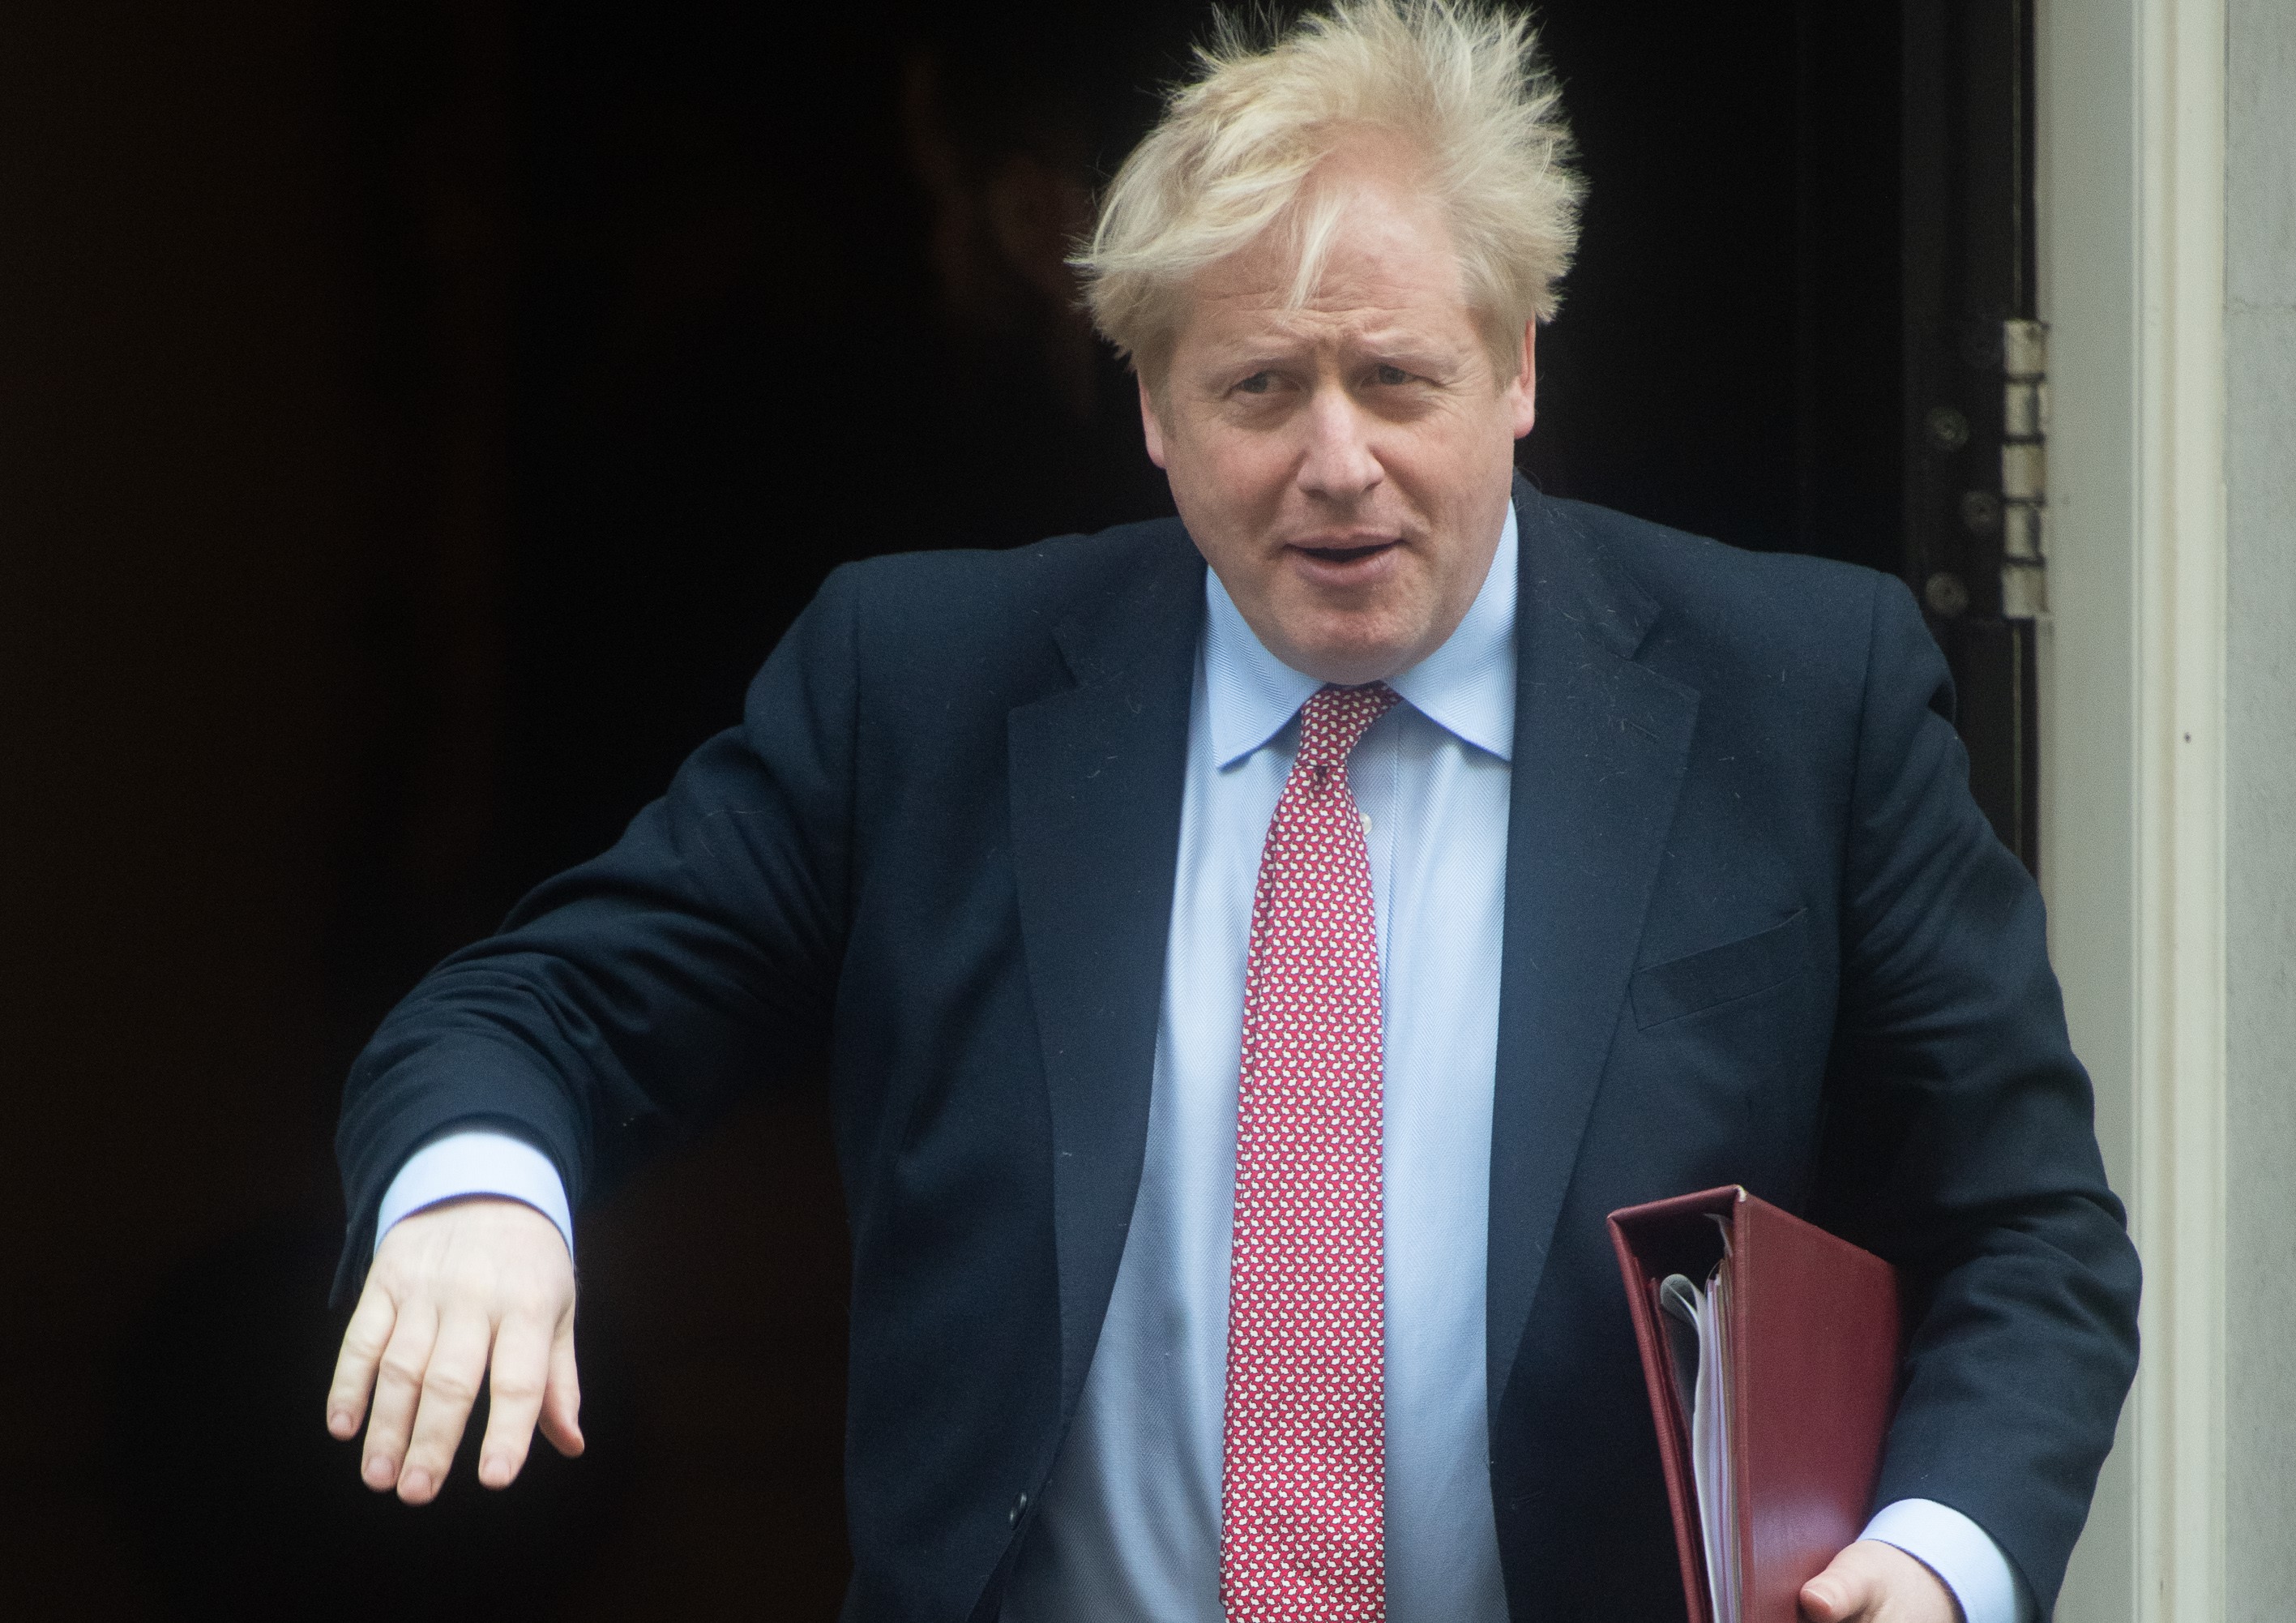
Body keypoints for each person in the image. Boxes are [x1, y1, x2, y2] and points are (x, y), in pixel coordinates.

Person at [324, 4, 2139, 1620]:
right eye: (1260, 386)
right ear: (1155, 415)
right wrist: (484, 1198)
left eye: (1398, 377)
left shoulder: (1797, 693)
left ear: (1517, 369)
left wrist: (1939, 1550)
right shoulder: (924, 684)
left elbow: (2028, 1230)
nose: (1334, 459)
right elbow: (533, 1013)